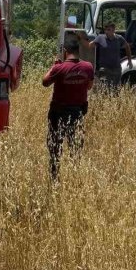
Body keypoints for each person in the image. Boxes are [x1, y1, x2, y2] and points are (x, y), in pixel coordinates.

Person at [42, 36, 95, 179]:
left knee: (55, 147)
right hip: (77, 112)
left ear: (65, 51)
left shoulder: (59, 68)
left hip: (58, 113)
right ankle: (75, 175)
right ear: (78, 50)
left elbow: (44, 82)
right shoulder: (88, 67)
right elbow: (89, 86)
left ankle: (55, 176)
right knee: (75, 146)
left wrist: (54, 66)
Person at [80, 22, 133, 91]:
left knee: (116, 90)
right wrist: (80, 38)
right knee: (104, 90)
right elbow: (89, 45)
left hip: (116, 69)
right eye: (106, 30)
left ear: (113, 30)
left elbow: (127, 47)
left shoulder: (119, 38)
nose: (106, 32)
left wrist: (129, 60)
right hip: (104, 69)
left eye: (108, 29)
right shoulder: (100, 38)